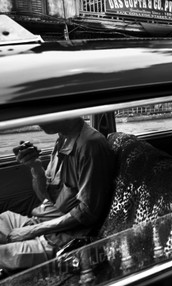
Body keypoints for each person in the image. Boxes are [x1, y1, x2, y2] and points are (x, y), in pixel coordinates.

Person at [0, 117, 115, 274]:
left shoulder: (90, 145)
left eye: (43, 114)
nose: (38, 121)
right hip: (41, 222)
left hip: (59, 239)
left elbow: (88, 213)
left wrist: (33, 231)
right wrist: (35, 167)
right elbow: (45, 197)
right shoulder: (62, 139)